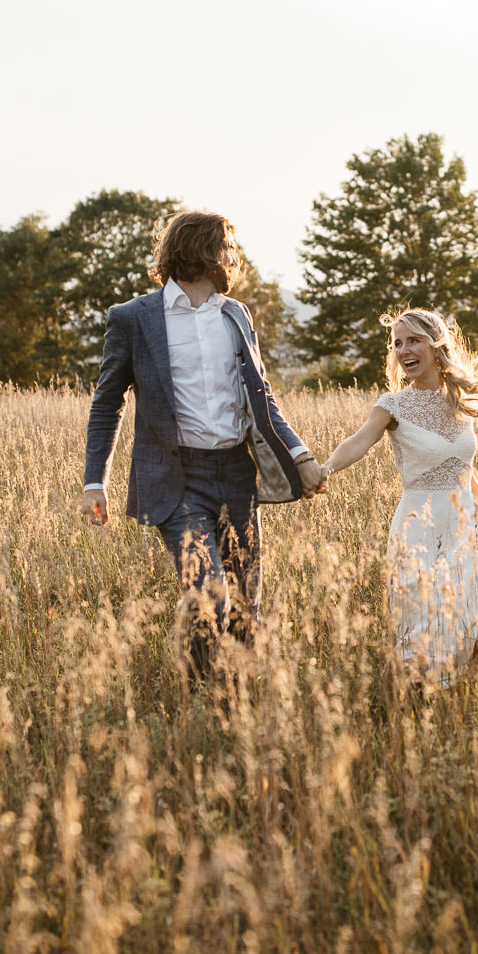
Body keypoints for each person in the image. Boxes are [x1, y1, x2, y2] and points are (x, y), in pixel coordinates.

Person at [80, 210, 326, 676]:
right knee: (207, 593)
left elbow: (263, 398)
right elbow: (106, 403)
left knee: (243, 605)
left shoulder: (235, 314)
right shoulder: (133, 319)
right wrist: (96, 481)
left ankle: (236, 701)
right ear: (204, 250)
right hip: (177, 480)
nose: (234, 257)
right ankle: (199, 694)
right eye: (228, 246)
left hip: (237, 474)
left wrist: (301, 456)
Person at [322, 307, 478, 684]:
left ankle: (453, 710)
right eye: (397, 343)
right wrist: (325, 470)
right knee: (418, 627)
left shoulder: (458, 402)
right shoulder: (393, 406)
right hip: (418, 525)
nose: (403, 350)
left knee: (468, 620)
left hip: (466, 523)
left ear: (437, 348)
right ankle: (390, 707)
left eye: (413, 340)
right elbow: (357, 442)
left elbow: (459, 459)